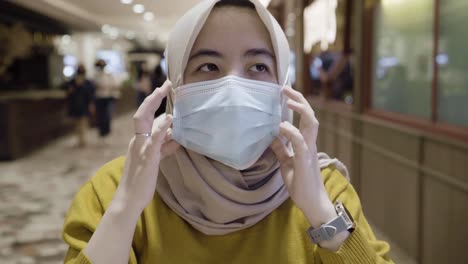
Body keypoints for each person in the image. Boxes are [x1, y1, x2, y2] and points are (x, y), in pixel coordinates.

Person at [62, 1, 393, 263]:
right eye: (208, 67)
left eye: (258, 67)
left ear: (283, 85)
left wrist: (320, 213)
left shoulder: (326, 188)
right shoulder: (113, 188)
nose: (234, 87)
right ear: (174, 84)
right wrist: (126, 207)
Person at [65, 64, 95, 148]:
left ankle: (82, 140)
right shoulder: (72, 82)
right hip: (75, 106)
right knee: (77, 124)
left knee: (83, 123)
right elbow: (68, 91)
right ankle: (80, 139)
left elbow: (90, 94)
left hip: (83, 106)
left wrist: (91, 104)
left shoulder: (87, 82)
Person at [94, 59, 119, 145]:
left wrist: (108, 87)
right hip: (99, 98)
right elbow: (94, 87)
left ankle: (106, 132)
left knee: (107, 116)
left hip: (108, 98)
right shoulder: (95, 76)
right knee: (100, 116)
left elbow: (114, 85)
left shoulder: (109, 75)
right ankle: (101, 133)